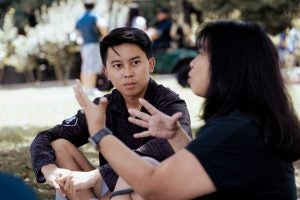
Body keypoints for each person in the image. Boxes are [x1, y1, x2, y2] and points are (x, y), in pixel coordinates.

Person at [70, 20, 300, 199]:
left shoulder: (237, 130)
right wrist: (176, 135)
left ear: (227, 66)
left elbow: (153, 186)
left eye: (201, 53)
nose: (192, 62)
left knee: (140, 179)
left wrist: (100, 132)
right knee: (144, 170)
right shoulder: (245, 121)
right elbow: (208, 169)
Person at [30, 27, 192, 200]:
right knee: (60, 145)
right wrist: (49, 169)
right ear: (107, 72)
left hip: (157, 188)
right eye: (118, 65)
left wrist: (95, 176)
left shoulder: (170, 103)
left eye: (135, 62)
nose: (128, 73)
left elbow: (164, 149)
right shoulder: (104, 106)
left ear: (150, 64)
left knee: (143, 167)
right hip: (112, 186)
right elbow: (46, 137)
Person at [75, 0, 108, 95]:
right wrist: (104, 36)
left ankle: (85, 88)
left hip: (84, 45)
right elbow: (103, 25)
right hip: (94, 44)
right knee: (93, 66)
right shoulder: (94, 16)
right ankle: (91, 88)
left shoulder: (80, 18)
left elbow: (77, 33)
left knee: (85, 66)